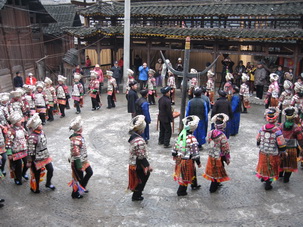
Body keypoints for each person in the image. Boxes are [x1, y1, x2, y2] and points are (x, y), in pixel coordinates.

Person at [256, 108, 286, 190]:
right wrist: (283, 151)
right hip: (273, 153)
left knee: (263, 165)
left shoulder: (262, 128)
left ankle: (263, 177)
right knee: (271, 168)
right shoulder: (277, 130)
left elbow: (258, 139)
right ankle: (268, 183)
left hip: (263, 151)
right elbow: (281, 143)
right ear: (275, 119)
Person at [172, 115, 201, 196]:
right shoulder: (192, 138)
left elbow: (174, 149)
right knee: (185, 176)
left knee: (189, 172)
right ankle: (181, 191)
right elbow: (195, 153)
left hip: (180, 159)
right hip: (187, 161)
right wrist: (198, 162)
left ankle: (194, 184)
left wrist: (175, 155)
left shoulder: (181, 136)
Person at [27, 113, 55, 193]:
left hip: (45, 156)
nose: (41, 125)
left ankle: (48, 183)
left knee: (50, 169)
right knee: (37, 174)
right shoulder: (32, 137)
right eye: (39, 124)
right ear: (36, 126)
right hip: (37, 158)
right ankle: (36, 187)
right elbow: (30, 151)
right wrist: (29, 161)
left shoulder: (42, 133)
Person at [203, 113, 230, 193]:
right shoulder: (222, 136)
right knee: (218, 171)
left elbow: (207, 140)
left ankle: (217, 184)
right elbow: (225, 148)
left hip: (211, 155)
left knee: (213, 169)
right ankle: (213, 188)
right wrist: (227, 158)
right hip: (219, 156)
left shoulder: (210, 133)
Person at [127, 115, 152, 201]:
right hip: (137, 164)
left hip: (134, 162)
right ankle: (137, 195)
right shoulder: (139, 141)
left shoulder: (134, 137)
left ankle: (137, 193)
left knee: (141, 177)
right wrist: (147, 165)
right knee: (142, 177)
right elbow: (141, 156)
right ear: (141, 130)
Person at [69, 116, 93, 199]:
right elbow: (76, 153)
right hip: (78, 162)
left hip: (83, 160)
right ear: (79, 129)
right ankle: (75, 193)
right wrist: (78, 165)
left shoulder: (79, 137)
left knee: (89, 172)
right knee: (78, 178)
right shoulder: (75, 139)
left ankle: (82, 188)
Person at [279, 107, 303, 183]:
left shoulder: (281, 126)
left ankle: (280, 175)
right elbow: (300, 139)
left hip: (282, 148)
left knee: (281, 162)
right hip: (292, 149)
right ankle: (286, 179)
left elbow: (277, 137)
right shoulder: (297, 128)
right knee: (290, 164)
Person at [6, 111, 28, 185]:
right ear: (15, 122)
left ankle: (23, 173)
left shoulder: (22, 128)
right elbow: (8, 142)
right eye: (19, 121)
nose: (21, 122)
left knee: (27, 162)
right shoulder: (11, 131)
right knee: (18, 165)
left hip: (24, 148)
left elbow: (26, 136)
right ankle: (18, 178)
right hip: (16, 150)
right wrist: (9, 153)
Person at [0, 93, 10, 176]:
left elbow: (5, 116)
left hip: (3, 127)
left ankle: (2, 168)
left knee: (3, 158)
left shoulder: (2, 108)